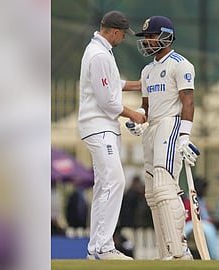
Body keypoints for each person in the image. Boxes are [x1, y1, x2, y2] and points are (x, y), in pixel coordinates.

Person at [126, 15, 200, 260]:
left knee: (164, 186)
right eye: (145, 37)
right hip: (153, 129)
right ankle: (165, 253)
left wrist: (184, 136)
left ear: (166, 36)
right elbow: (146, 107)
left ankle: (180, 251)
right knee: (152, 193)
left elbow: (188, 102)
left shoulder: (181, 64)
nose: (147, 41)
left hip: (171, 124)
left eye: (151, 36)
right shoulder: (147, 70)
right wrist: (138, 118)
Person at [78, 10, 147, 260]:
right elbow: (107, 101)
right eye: (123, 35)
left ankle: (94, 248)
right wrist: (134, 114)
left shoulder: (100, 51)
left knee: (104, 186)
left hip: (101, 127)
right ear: (115, 32)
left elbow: (110, 84)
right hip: (99, 126)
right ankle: (104, 247)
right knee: (115, 181)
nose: (123, 39)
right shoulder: (98, 55)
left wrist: (137, 85)